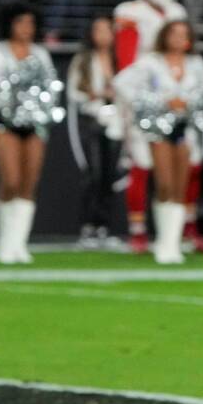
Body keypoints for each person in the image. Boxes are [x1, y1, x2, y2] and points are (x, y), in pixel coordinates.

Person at [113, 19, 203, 264]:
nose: (178, 38)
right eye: (174, 33)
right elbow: (121, 83)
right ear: (164, 36)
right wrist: (157, 102)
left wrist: (191, 101)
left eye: (183, 34)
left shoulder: (196, 64)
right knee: (164, 184)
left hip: (184, 127)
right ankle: (163, 242)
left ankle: (173, 243)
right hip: (157, 129)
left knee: (180, 187)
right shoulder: (150, 62)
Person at [112, 0, 196, 255]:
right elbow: (125, 63)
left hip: (178, 92)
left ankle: (184, 226)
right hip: (143, 95)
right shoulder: (129, 12)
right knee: (142, 162)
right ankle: (138, 230)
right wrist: (133, 101)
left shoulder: (177, 11)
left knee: (189, 159)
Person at [0, 3, 59, 265]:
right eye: (20, 22)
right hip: (5, 123)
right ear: (9, 23)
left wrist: (39, 108)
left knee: (28, 184)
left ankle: (19, 244)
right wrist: (12, 103)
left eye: (30, 23)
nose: (26, 28)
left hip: (35, 125)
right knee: (10, 181)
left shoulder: (41, 54)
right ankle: (5, 241)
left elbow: (51, 88)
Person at [67, 15, 121, 249]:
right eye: (98, 30)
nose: (102, 35)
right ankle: (87, 226)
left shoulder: (121, 59)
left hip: (116, 121)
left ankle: (103, 227)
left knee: (110, 175)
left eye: (107, 30)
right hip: (91, 120)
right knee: (94, 174)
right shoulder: (83, 60)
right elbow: (73, 92)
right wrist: (97, 94)